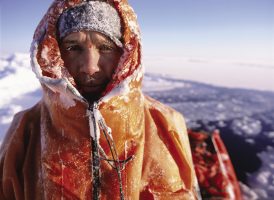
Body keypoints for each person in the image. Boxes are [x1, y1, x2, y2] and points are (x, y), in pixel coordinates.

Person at [0, 0, 199, 199]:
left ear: (126, 54)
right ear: (55, 53)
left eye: (105, 47)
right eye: (73, 47)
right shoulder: (25, 130)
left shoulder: (166, 123)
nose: (90, 67)